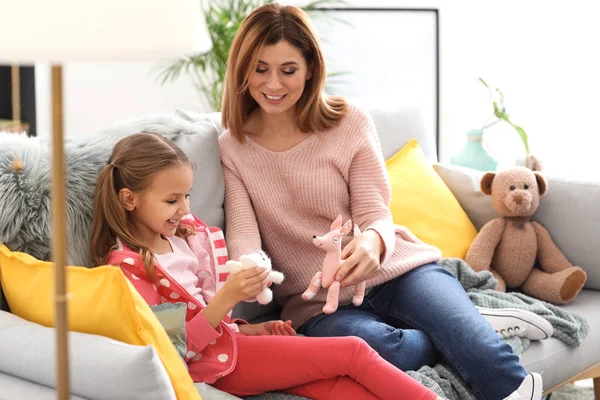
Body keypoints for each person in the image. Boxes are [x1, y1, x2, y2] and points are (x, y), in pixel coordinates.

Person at [218, 3, 546, 400]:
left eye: (288, 70)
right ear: (242, 70)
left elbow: (375, 211)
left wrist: (373, 241)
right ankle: (461, 325)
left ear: (309, 69)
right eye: (260, 68)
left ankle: (481, 348)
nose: (273, 83)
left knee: (479, 350)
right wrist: (251, 269)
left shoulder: (348, 122)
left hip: (399, 270)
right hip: (318, 307)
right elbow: (243, 234)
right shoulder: (234, 146)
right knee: (386, 348)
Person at [89, 132, 442, 400]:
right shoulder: (130, 270)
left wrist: (249, 329)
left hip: (232, 346)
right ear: (129, 199)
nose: (184, 209)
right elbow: (177, 347)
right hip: (216, 366)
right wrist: (228, 298)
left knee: (336, 387)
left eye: (187, 196)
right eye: (171, 200)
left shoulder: (183, 237)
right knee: (352, 351)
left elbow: (211, 321)